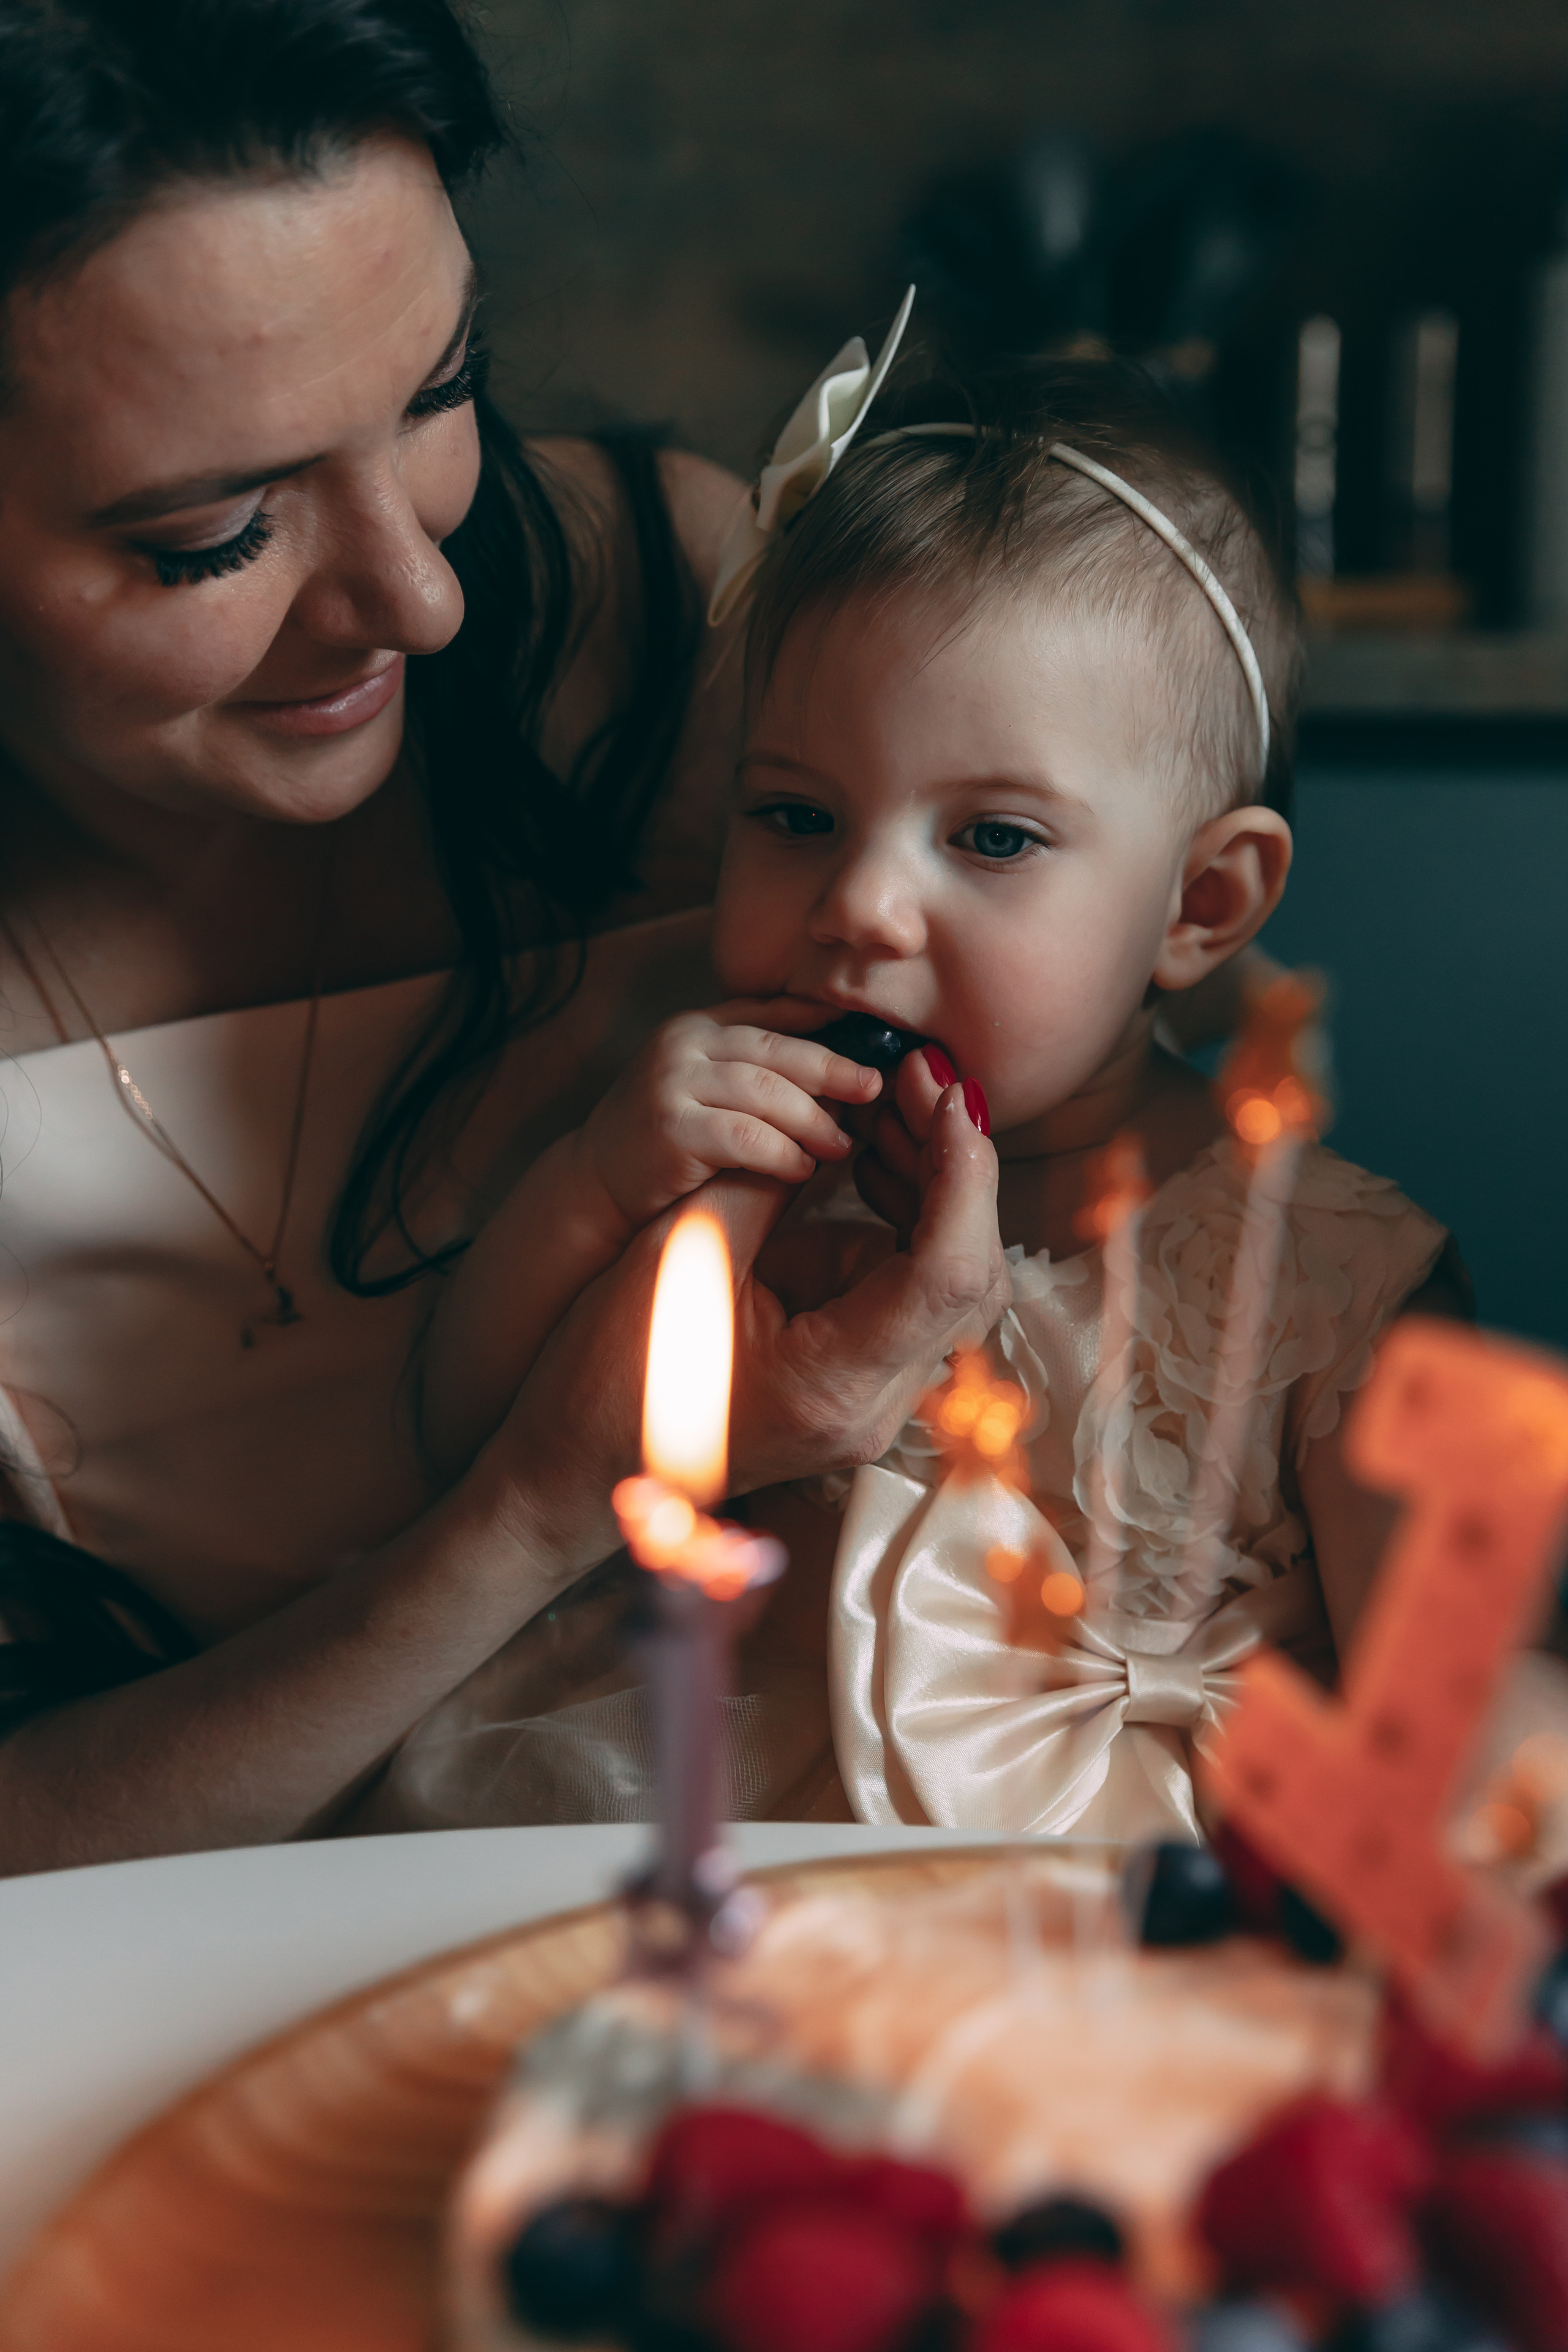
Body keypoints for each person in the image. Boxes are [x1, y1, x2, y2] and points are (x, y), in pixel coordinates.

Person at [0, 4, 1011, 1873]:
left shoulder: (680, 616)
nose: (425, 596)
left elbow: (1168, 1204)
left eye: (440, 390)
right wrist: (541, 1501)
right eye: (216, 535)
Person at [412, 330, 1528, 1841]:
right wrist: (597, 1183)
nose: (859, 904)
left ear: (1201, 904)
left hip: (1108, 1920)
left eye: (991, 840)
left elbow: (1444, 1723)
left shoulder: (1331, 1277)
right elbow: (470, 1437)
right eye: (796, 814)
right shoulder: (737, 1156)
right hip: (692, 1826)